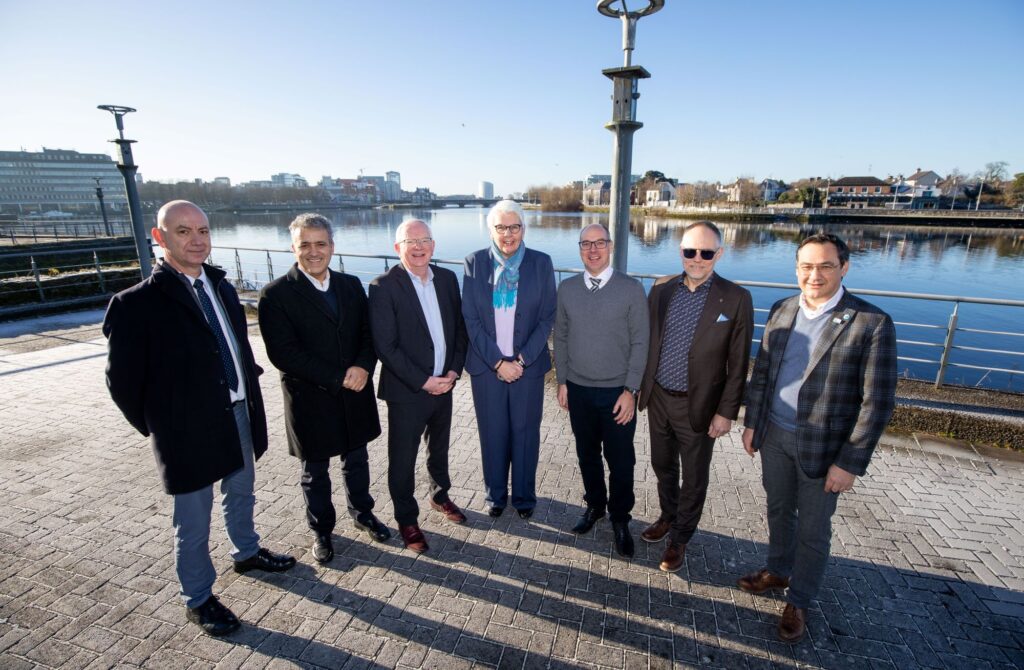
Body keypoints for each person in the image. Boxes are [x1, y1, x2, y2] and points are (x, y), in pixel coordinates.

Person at [103, 200, 295, 637]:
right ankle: (198, 598)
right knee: (193, 520)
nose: (196, 240)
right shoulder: (135, 304)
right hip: (185, 430)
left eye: (203, 231)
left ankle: (246, 552)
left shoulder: (221, 287)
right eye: (183, 231)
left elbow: (234, 346)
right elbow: (122, 382)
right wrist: (161, 425)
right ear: (160, 237)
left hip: (238, 411)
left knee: (241, 490)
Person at [738, 232, 897, 643]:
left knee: (813, 529)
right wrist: (752, 422)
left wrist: (849, 462)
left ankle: (800, 599)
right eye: (807, 266)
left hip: (825, 450)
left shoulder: (871, 322)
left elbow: (877, 403)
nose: (815, 275)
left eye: (826, 266)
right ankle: (778, 570)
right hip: (774, 435)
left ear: (844, 268)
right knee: (778, 509)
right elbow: (763, 373)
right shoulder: (782, 308)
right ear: (796, 269)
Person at [258, 213, 389, 566]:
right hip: (311, 398)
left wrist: (363, 366)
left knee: (357, 460)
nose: (313, 251)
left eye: (320, 244)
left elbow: (368, 333)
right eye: (305, 244)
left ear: (332, 246)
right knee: (315, 472)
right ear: (293, 248)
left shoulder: (350, 285)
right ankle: (322, 530)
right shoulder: (275, 294)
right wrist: (338, 376)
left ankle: (363, 513)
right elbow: (284, 354)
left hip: (355, 392)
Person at [638, 221, 754, 573]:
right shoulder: (661, 289)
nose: (697, 259)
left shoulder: (735, 298)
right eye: (690, 251)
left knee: (694, 475)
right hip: (659, 397)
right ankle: (668, 516)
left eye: (706, 253)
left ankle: (680, 538)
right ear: (681, 252)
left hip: (700, 405)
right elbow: (647, 340)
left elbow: (738, 363)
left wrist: (726, 412)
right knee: (662, 464)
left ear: (719, 254)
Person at [368, 219, 468, 553]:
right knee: (403, 458)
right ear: (397, 248)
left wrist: (453, 371)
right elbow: (386, 346)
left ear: (433, 246)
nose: (419, 247)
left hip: (445, 384)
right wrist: (425, 381)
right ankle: (407, 519)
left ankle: (440, 496)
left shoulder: (447, 279)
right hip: (407, 391)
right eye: (411, 241)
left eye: (425, 240)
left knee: (439, 448)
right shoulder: (383, 286)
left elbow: (459, 330)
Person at [554, 223, 649, 558]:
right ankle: (595, 505)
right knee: (587, 454)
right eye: (586, 244)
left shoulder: (631, 289)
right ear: (579, 249)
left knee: (621, 460)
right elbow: (561, 337)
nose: (593, 250)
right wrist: (562, 380)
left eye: (599, 243)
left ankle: (620, 518)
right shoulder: (566, 289)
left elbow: (641, 342)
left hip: (617, 393)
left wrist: (631, 390)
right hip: (578, 389)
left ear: (610, 246)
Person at [462, 200, 556, 519]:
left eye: (514, 227)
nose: (508, 234)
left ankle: (525, 497)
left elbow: (547, 317)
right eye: (501, 227)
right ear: (491, 230)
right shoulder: (474, 263)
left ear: (523, 229)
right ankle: (496, 495)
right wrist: (498, 362)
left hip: (527, 367)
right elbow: (471, 319)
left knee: (525, 432)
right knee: (493, 432)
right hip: (486, 367)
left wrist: (522, 360)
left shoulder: (541, 263)